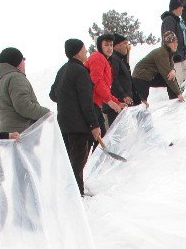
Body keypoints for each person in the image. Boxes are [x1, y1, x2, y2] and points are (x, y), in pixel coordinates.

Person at [50, 39, 102, 195]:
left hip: (64, 125)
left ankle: (72, 194)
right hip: (79, 127)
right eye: (84, 49)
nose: (86, 52)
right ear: (78, 51)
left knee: (70, 162)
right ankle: (76, 196)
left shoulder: (62, 70)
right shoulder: (81, 71)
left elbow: (53, 94)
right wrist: (94, 125)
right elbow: (87, 102)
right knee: (77, 164)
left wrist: (67, 98)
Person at [0, 48, 49, 135]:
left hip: (8, 134)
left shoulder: (1, 80)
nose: (24, 62)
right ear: (18, 62)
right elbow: (23, 106)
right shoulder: (15, 77)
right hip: (21, 134)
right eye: (23, 59)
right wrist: (46, 113)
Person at [85, 34, 124, 136]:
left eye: (111, 45)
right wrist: (110, 101)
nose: (109, 48)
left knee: (99, 138)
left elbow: (105, 88)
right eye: (106, 45)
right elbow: (97, 81)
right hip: (90, 104)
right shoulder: (97, 57)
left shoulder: (104, 60)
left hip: (95, 104)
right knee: (100, 138)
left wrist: (117, 102)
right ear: (100, 46)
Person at [132, 33, 185, 106]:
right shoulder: (162, 53)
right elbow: (167, 74)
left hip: (151, 76)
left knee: (170, 79)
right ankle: (176, 103)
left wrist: (173, 70)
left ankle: (175, 103)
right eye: (173, 42)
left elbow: (171, 69)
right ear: (167, 43)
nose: (176, 44)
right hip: (141, 77)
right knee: (141, 104)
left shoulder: (168, 52)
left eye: (176, 42)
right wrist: (178, 93)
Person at [161, 0, 186, 89]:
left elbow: (183, 39)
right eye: (181, 7)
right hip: (174, 56)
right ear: (176, 8)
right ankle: (178, 96)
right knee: (177, 79)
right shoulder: (169, 20)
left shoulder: (178, 21)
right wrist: (174, 53)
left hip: (181, 54)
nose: (182, 9)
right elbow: (169, 38)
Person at [109, 34, 134, 126]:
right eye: (124, 43)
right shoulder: (113, 59)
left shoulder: (121, 60)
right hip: (118, 102)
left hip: (124, 102)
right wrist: (123, 95)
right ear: (116, 45)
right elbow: (113, 79)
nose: (127, 46)